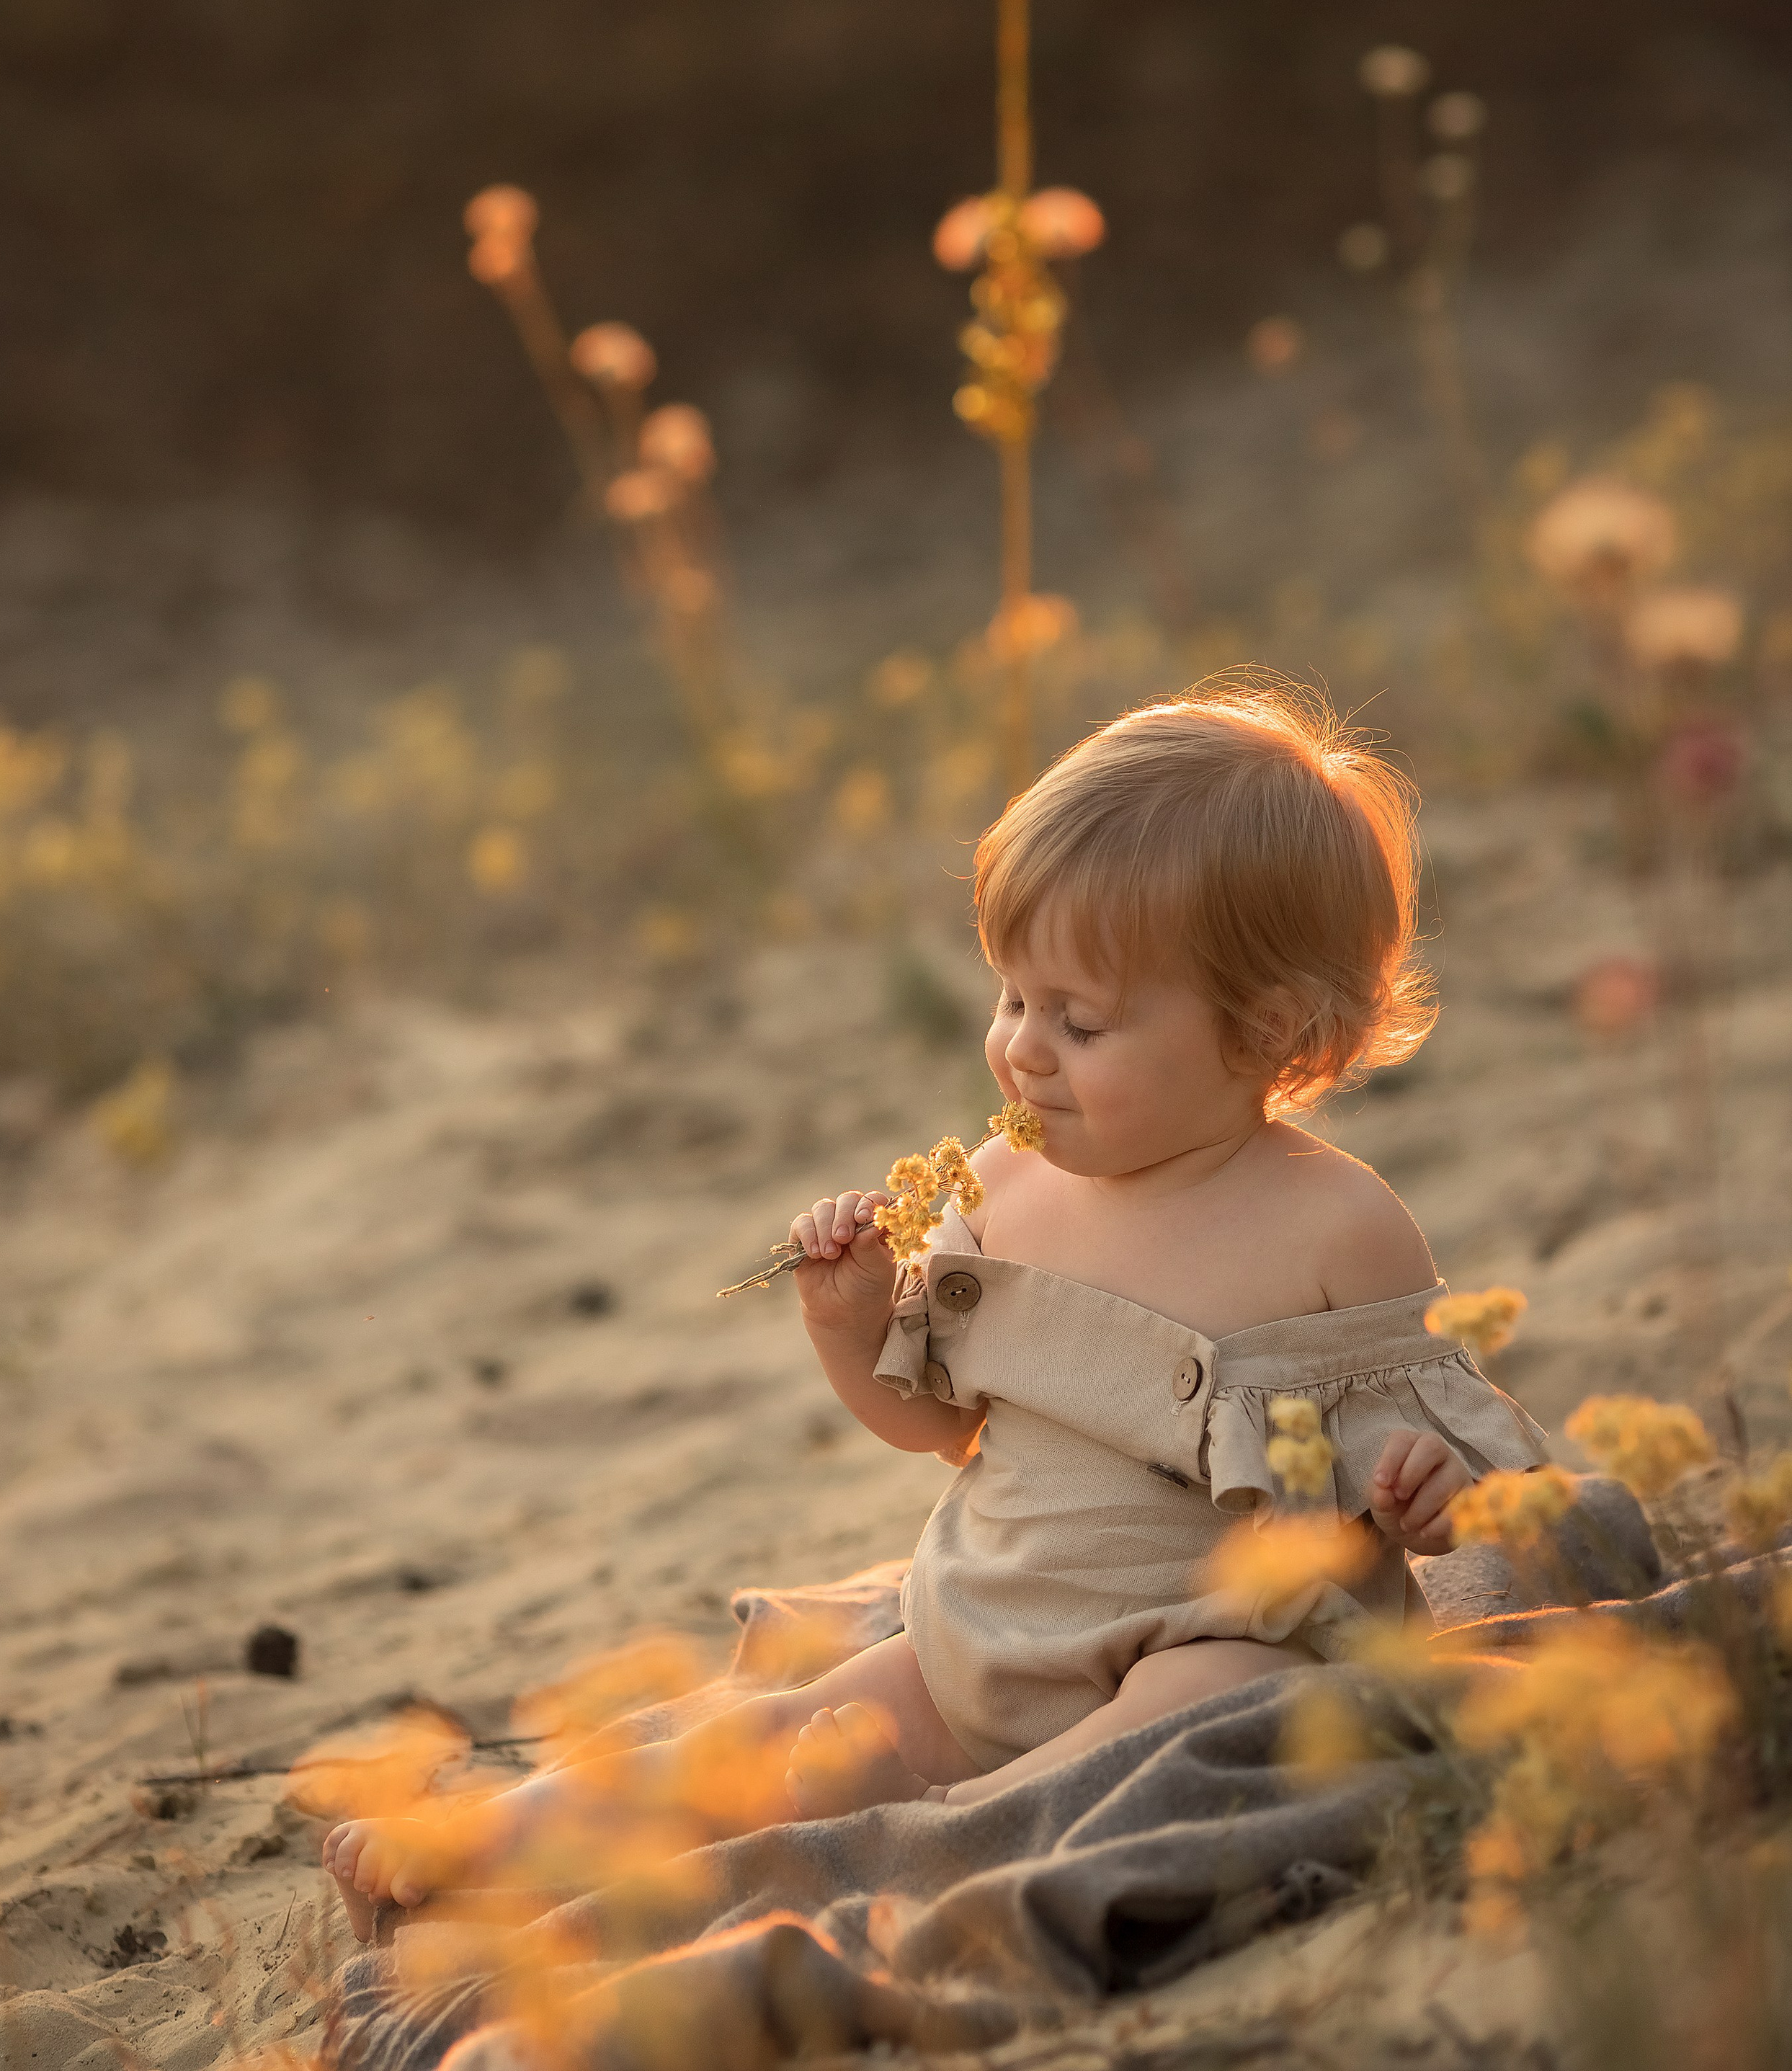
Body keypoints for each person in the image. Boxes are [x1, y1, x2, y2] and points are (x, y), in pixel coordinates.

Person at [323, 685, 1545, 1937]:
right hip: (987, 1630)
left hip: (1210, 1635)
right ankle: (502, 1835)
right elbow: (942, 1429)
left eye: (1080, 1020)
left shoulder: (1331, 1226)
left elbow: (1455, 1461)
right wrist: (849, 1328)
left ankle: (956, 1834)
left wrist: (1431, 1496)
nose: (1022, 1049)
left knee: (1207, 1705)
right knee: (773, 1735)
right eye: (1012, 998)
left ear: (1265, 1030)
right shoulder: (1006, 1186)